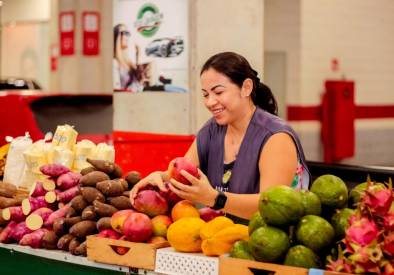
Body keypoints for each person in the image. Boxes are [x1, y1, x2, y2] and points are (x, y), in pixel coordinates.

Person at [130, 52, 310, 221]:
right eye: (206, 94)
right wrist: (160, 179)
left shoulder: (275, 137)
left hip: (272, 245)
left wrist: (216, 199)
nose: (209, 102)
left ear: (246, 87)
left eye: (218, 92)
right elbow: (184, 174)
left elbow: (273, 206)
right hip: (225, 240)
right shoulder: (211, 130)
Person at [113, 23, 143, 92]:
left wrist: (138, 55)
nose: (128, 36)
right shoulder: (114, 63)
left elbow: (139, 85)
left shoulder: (129, 62)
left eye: (128, 33)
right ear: (117, 36)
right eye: (125, 33)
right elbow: (117, 91)